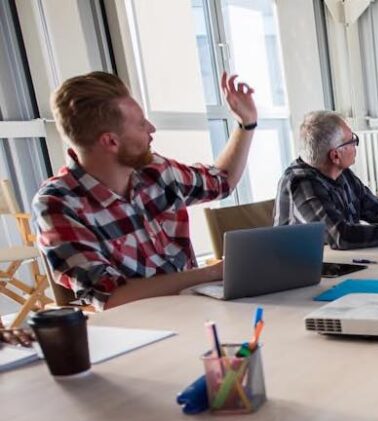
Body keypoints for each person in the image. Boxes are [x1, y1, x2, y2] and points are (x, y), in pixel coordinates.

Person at [33, 71, 256, 310]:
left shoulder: (153, 170)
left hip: (195, 312)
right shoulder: (57, 204)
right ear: (110, 142)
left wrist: (246, 124)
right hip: (139, 331)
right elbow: (111, 297)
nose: (152, 128)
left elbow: (221, 182)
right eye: (141, 124)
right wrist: (211, 273)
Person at [275, 111, 378, 249]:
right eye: (352, 140)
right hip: (301, 273)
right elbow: (341, 236)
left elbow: (376, 210)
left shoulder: (342, 173)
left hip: (338, 265)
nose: (355, 145)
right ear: (335, 155)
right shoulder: (302, 182)